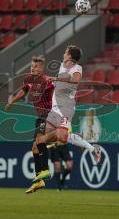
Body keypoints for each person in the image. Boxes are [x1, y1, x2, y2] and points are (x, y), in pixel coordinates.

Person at [32, 45, 101, 188]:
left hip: (65, 108)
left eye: (65, 52)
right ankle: (92, 149)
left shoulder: (77, 68)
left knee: (62, 137)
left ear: (69, 55)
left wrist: (58, 78)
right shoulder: (63, 65)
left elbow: (75, 80)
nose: (63, 53)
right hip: (54, 109)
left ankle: (91, 149)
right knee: (38, 142)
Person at [5, 55, 54, 192]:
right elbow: (24, 90)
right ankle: (39, 180)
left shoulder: (47, 81)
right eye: (32, 66)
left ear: (42, 68)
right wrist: (12, 101)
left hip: (49, 116)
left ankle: (46, 170)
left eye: (36, 66)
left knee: (39, 141)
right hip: (40, 117)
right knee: (34, 149)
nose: (33, 68)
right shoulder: (29, 80)